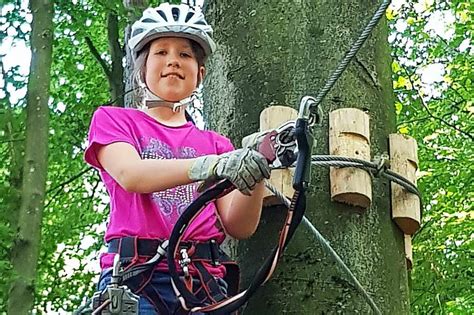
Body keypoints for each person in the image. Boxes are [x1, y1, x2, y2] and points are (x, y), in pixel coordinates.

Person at [84, 3, 270, 314]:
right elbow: (132, 175)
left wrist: (257, 171)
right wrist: (208, 165)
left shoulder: (216, 144)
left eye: (185, 54)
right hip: (135, 278)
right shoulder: (115, 121)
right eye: (161, 52)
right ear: (142, 69)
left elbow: (239, 225)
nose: (173, 61)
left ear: (200, 74)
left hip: (203, 282)